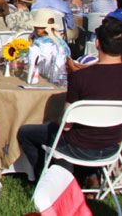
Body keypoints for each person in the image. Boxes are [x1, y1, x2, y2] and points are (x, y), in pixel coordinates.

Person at [17, 14, 122, 185]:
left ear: (97, 44)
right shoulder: (85, 75)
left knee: (26, 132)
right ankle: (87, 175)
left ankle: (47, 180)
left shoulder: (82, 77)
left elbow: (65, 125)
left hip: (78, 146)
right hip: (112, 146)